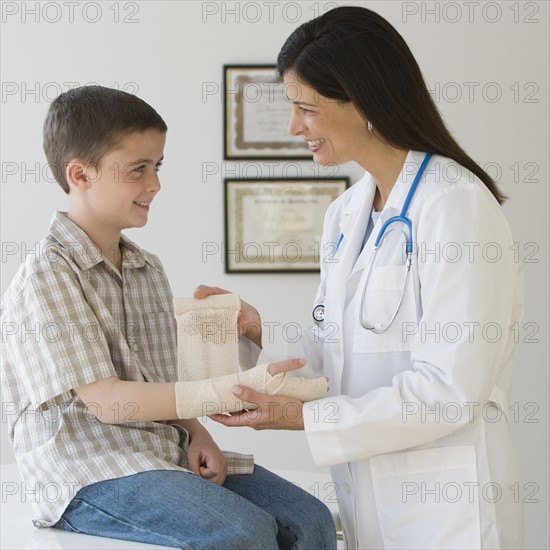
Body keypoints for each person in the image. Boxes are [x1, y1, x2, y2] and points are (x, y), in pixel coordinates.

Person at [196, 6, 525, 549]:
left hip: (451, 513)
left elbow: (451, 389)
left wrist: (307, 420)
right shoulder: (347, 213)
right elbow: (336, 353)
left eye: (307, 109)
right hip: (371, 500)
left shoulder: (456, 205)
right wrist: (257, 329)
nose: (294, 127)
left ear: (365, 101)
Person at [0, 85, 337, 550]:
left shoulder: (146, 268)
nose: (154, 184)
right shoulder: (46, 276)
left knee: (311, 519)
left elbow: (159, 381)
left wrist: (198, 433)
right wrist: (223, 393)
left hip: (159, 454)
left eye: (157, 167)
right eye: (138, 169)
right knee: (244, 532)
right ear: (80, 174)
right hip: (85, 471)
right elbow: (108, 402)